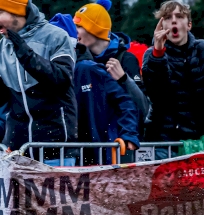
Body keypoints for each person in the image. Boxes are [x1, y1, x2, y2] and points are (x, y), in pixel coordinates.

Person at [0, 0, 78, 162]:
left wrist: (27, 55)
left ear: (16, 11)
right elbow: (0, 99)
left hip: (56, 150)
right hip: (18, 152)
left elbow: (61, 80)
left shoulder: (55, 36)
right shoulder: (0, 48)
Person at [51, 13, 139, 164]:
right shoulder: (48, 73)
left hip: (99, 155)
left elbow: (125, 102)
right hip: (65, 155)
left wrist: (128, 135)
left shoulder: (90, 69)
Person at [142, 1, 204, 155]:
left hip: (200, 140)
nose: (174, 20)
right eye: (168, 17)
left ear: (189, 25)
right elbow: (154, 92)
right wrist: (158, 53)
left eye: (179, 16)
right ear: (161, 26)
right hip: (165, 143)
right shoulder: (151, 55)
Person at [73, 0, 149, 132]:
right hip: (92, 142)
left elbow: (144, 108)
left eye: (79, 26)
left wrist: (124, 79)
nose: (75, 32)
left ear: (95, 29)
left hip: (122, 142)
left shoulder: (126, 59)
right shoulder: (79, 61)